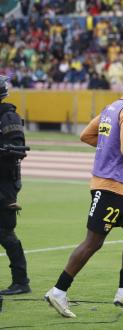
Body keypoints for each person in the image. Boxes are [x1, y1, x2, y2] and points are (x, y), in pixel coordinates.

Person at [44, 70, 123, 318]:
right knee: (93, 242)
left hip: (121, 188)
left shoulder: (111, 108)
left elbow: (87, 135)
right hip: (109, 187)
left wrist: (111, 148)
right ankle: (57, 291)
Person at [0, 75, 30, 295]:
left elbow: (18, 149)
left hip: (4, 182)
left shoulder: (8, 115)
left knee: (5, 232)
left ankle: (21, 282)